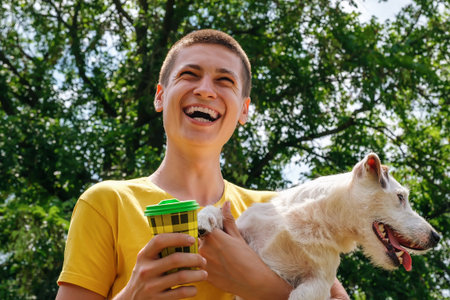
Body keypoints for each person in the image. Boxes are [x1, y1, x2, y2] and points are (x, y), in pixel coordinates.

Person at [56, 29, 349, 300]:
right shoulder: (107, 203)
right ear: (160, 96)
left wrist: (260, 284)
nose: (206, 90)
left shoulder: (276, 209)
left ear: (243, 110)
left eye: (225, 81)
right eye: (189, 74)